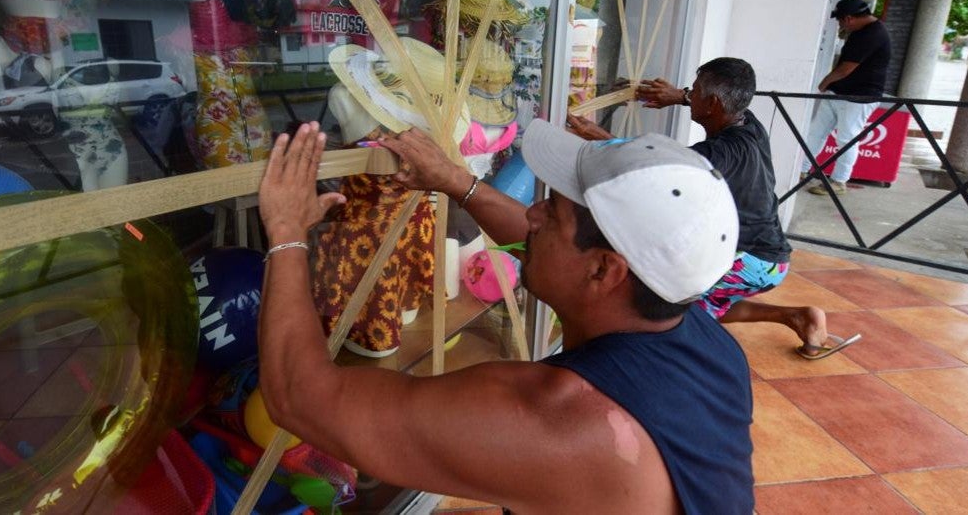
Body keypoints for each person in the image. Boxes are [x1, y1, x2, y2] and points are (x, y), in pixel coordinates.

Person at [256, 119, 754, 514]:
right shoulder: (708, 342)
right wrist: (456, 182)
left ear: (605, 269)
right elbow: (544, 245)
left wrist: (286, 232)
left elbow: (299, 398)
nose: (531, 215)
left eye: (551, 209)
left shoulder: (559, 423)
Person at [568, 58, 860, 359]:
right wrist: (679, 96)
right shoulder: (749, 123)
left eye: (695, 91)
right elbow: (714, 106)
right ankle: (797, 317)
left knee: (668, 307)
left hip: (749, 259)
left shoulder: (718, 154)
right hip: (766, 255)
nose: (690, 94)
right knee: (709, 300)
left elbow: (655, 166)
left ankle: (677, 367)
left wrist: (600, 138)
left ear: (712, 104)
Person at [800, 0, 891, 195]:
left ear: (849, 18)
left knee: (847, 139)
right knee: (817, 131)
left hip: (859, 97)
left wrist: (824, 83)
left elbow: (846, 68)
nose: (840, 25)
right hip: (839, 92)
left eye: (840, 21)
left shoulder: (873, 34)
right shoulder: (861, 32)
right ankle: (801, 169)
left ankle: (839, 181)